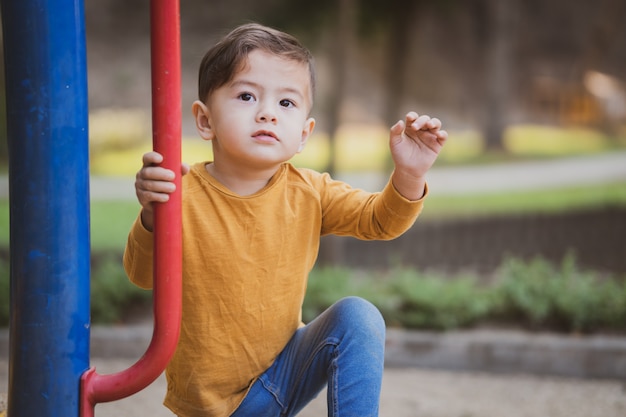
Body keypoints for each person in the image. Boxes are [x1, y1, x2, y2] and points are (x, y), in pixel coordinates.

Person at [124, 22, 448, 417]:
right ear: (205, 120)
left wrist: (410, 175)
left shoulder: (310, 190)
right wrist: (152, 214)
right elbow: (141, 275)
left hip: (283, 377)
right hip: (211, 408)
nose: (267, 114)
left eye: (286, 104)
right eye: (246, 96)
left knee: (358, 316)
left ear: (304, 134)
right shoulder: (183, 192)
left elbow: (381, 221)